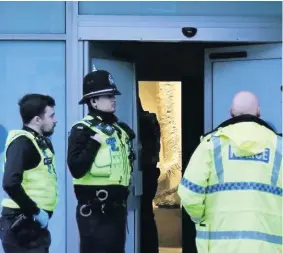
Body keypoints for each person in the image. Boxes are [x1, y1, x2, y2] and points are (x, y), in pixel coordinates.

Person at [178, 91, 282, 253]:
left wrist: (201, 219)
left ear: (231, 113)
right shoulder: (279, 147)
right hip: (270, 247)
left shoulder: (211, 145)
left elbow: (189, 194)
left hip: (219, 246)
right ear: (259, 112)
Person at [67, 70, 135, 253]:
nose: (114, 99)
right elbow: (76, 168)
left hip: (117, 210)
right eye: (108, 96)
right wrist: (93, 143)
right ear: (93, 101)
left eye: (114, 95)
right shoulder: (83, 129)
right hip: (95, 211)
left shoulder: (118, 129)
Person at [0, 94, 58, 253]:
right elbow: (10, 183)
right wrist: (35, 212)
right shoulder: (22, 143)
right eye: (51, 116)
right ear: (37, 120)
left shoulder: (39, 142)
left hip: (32, 223)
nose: (54, 120)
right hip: (21, 222)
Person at [138, 97, 161, 253]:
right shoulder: (151, 120)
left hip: (145, 172)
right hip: (150, 172)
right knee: (147, 216)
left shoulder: (143, 121)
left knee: (144, 216)